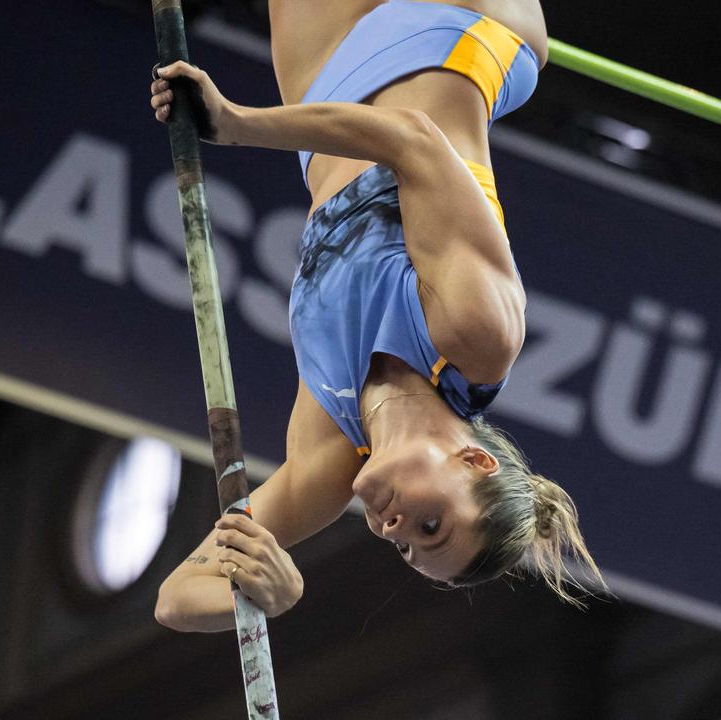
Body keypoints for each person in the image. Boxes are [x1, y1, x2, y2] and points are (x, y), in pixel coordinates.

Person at [151, 0, 604, 633]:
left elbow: (176, 597)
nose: (395, 530)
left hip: (328, 71)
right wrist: (234, 123)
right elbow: (411, 137)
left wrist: (263, 600)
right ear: (476, 462)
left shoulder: (328, 450)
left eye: (406, 548)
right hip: (450, 28)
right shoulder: (476, 339)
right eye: (430, 525)